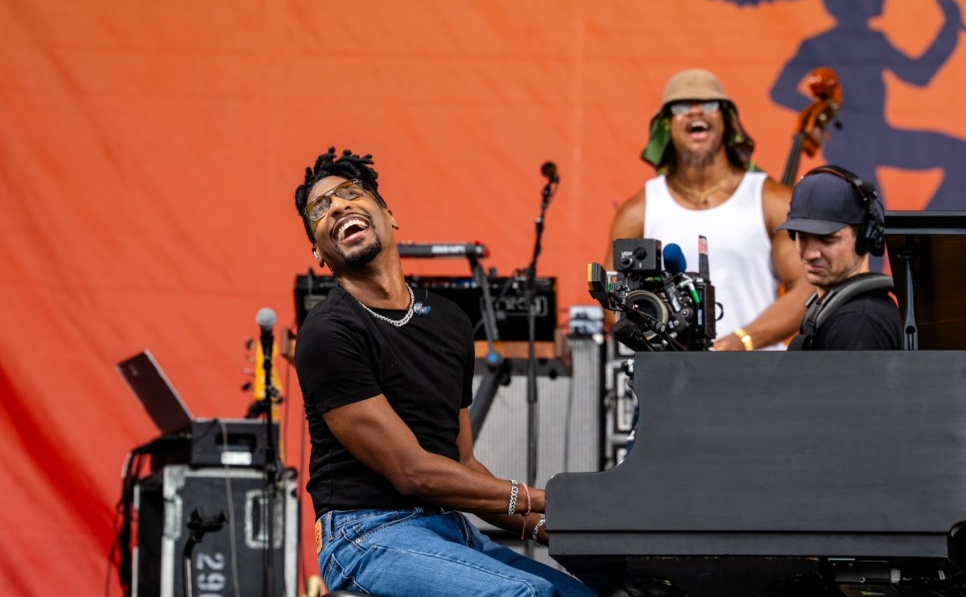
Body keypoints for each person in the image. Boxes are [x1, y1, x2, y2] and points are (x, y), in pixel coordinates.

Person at [292, 148, 596, 597]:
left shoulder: (449, 321)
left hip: (447, 527)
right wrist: (544, 499)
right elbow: (412, 472)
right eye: (320, 209)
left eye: (350, 193)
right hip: (364, 535)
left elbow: (462, 464)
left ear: (389, 215)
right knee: (526, 595)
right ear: (319, 251)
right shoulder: (328, 331)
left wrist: (550, 528)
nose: (337, 206)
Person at [607, 68, 813, 350]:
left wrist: (741, 341)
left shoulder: (769, 200)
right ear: (666, 125)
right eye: (681, 106)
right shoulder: (639, 211)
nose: (695, 111)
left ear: (726, 120)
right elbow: (612, 299)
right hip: (671, 371)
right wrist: (662, 343)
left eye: (708, 103)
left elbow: (806, 287)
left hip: (756, 370)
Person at [777, 165, 902, 351]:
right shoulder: (848, 314)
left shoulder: (859, 322)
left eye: (827, 239)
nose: (810, 254)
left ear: (865, 237)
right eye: (801, 237)